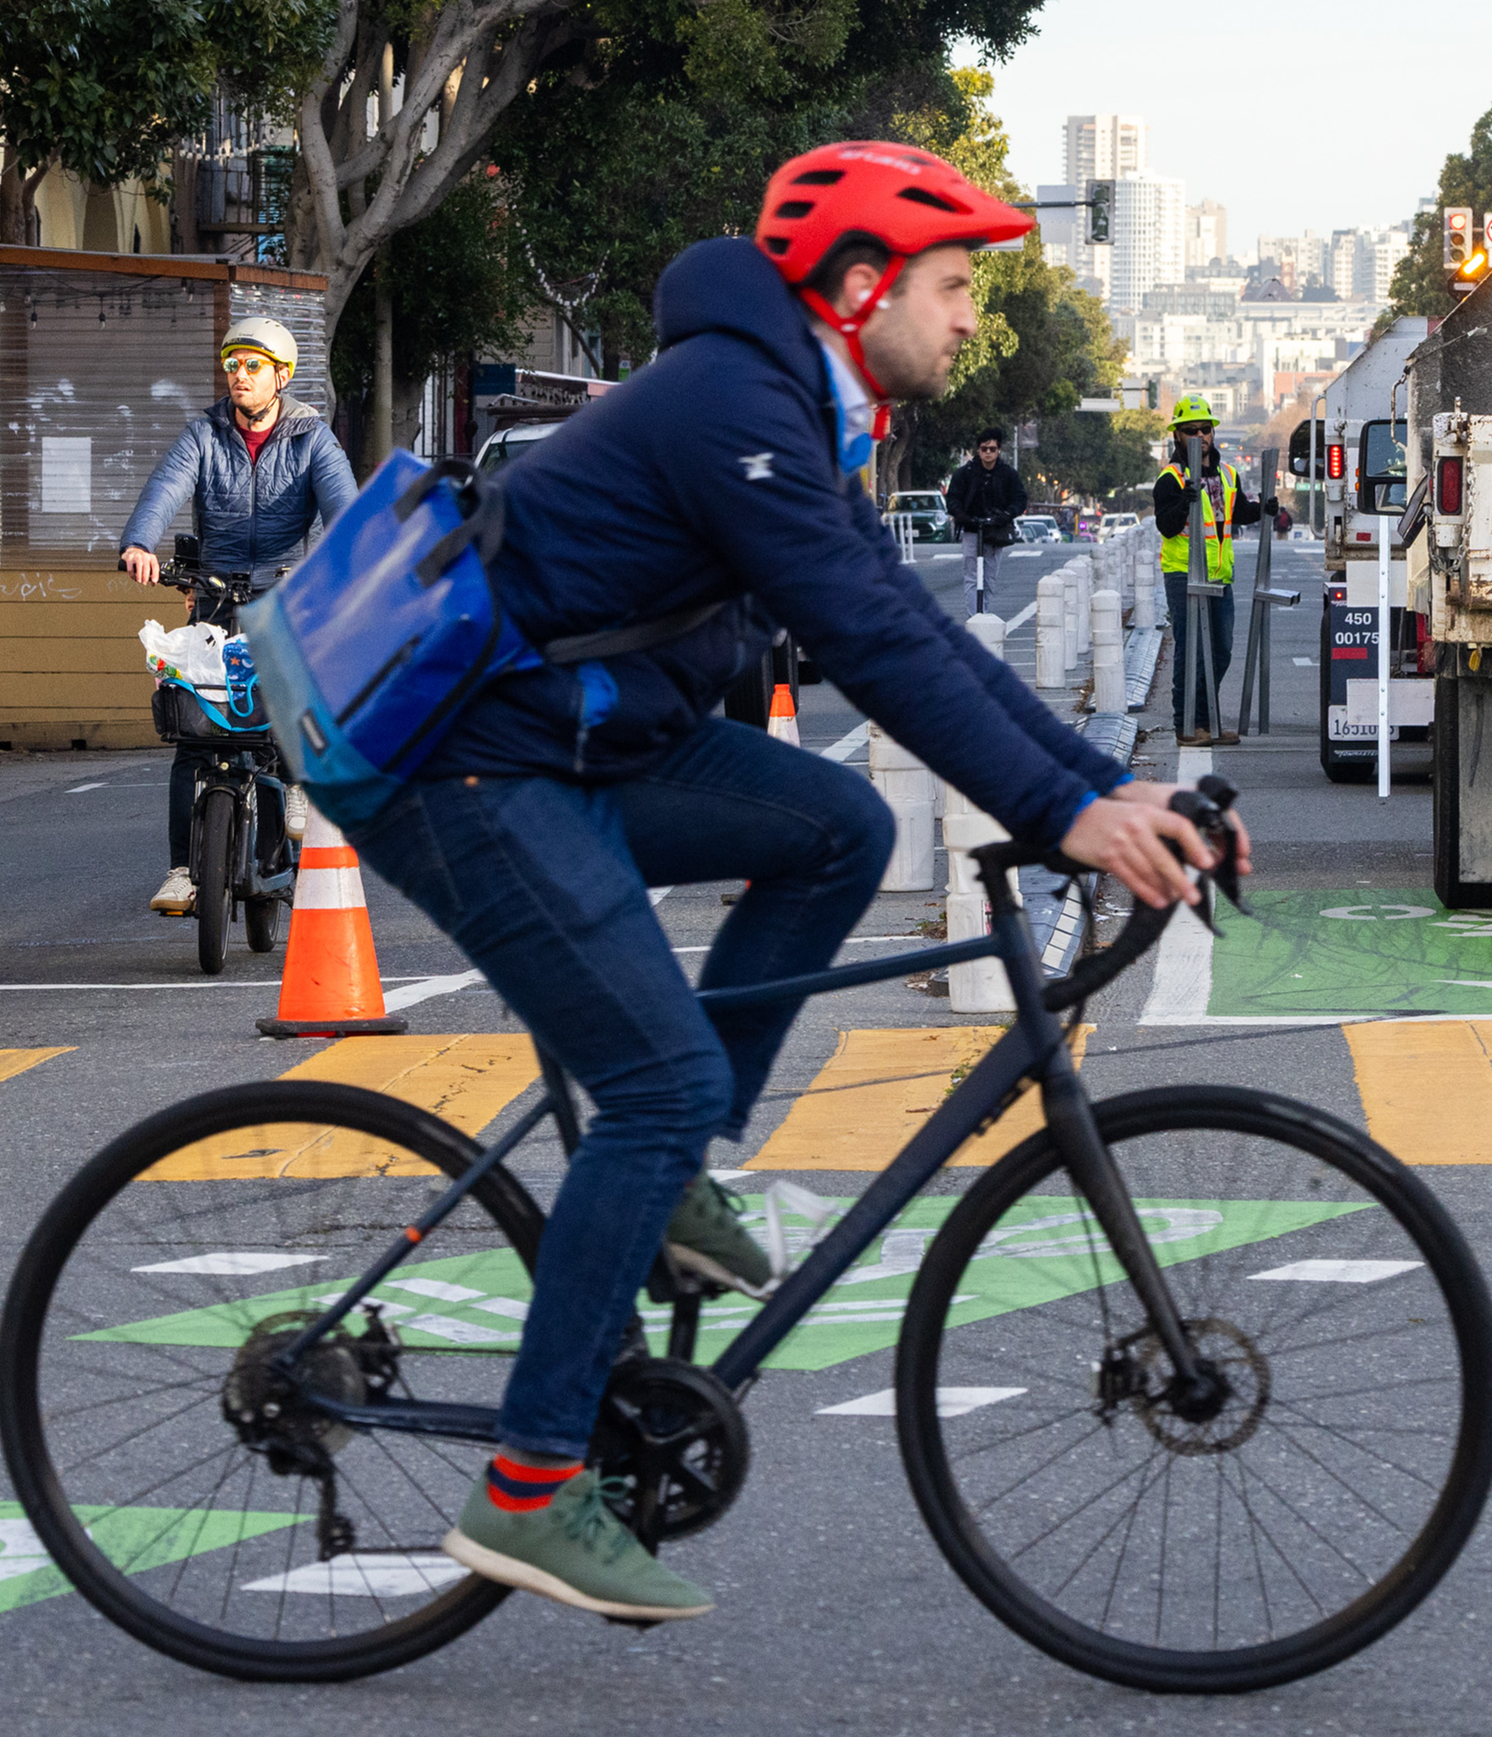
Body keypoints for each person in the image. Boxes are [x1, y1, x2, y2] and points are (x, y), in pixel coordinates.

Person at [334, 142, 1249, 1624]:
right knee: (650, 1082)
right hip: (462, 762)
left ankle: (682, 1166)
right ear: (859, 282)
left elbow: (901, 620)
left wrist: (1097, 791)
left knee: (836, 827)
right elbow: (882, 653)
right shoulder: (732, 407)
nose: (966, 319)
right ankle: (529, 1487)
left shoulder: (799, 408)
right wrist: (1070, 815)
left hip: (571, 741)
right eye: (951, 287)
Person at [118, 316, 357, 914]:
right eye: (231, 365)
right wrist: (140, 543)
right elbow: (167, 485)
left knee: (286, 709)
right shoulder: (204, 432)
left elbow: (342, 507)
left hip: (283, 591)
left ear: (281, 375)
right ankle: (180, 871)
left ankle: (299, 787)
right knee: (194, 732)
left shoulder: (311, 438)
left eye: (252, 365)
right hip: (215, 594)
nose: (239, 376)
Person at [1154, 400, 1260, 744]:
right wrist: (1184, 500)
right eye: (1191, 430)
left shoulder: (1227, 473)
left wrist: (1265, 508)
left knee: (1220, 649)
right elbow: (1167, 527)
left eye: (1205, 429)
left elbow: (1239, 512)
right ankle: (1187, 725)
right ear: (1178, 435)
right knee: (1190, 650)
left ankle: (1207, 719)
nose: (1199, 436)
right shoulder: (1171, 478)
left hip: (1219, 574)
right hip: (1184, 573)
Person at [944, 427, 1028, 613]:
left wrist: (1007, 515)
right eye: (984, 449)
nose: (988, 453)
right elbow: (953, 499)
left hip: (996, 531)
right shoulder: (964, 473)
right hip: (971, 530)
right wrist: (962, 516)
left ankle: (985, 613)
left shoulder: (1008, 474)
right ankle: (975, 618)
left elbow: (1020, 498)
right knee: (972, 577)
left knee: (989, 579)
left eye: (992, 449)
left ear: (999, 450)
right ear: (978, 450)